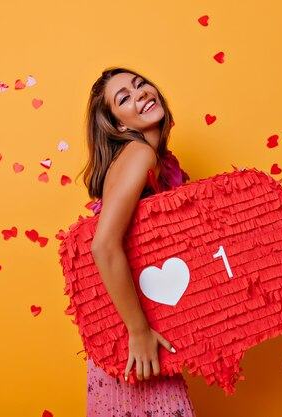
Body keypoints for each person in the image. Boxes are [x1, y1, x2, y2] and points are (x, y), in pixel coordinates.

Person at [76, 67, 196, 416]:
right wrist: (139, 331)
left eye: (140, 84)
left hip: (129, 326)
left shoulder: (155, 159)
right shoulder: (139, 155)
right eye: (124, 97)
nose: (140, 93)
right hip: (134, 332)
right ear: (120, 125)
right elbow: (104, 245)